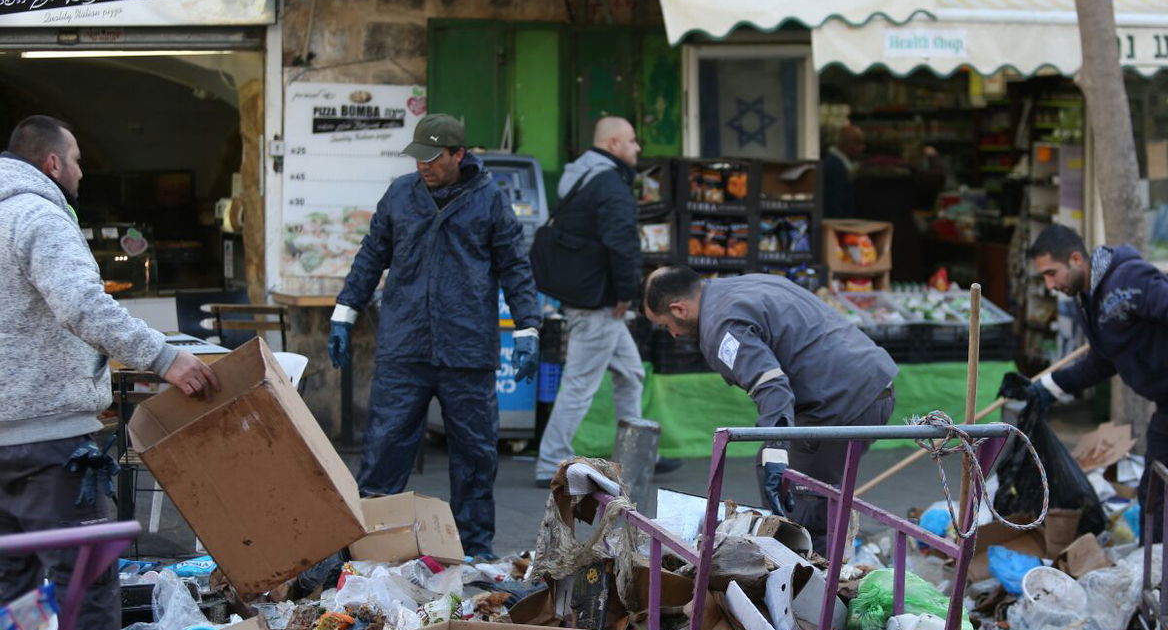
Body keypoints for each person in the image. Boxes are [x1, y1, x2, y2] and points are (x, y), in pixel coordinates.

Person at [0, 115, 219, 630]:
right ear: (52, 165)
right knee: (86, 580)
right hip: (52, 440)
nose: (82, 174)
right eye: (76, 162)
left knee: (10, 585)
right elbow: (82, 305)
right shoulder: (38, 215)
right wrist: (164, 358)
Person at [328, 114, 540, 558]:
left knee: (475, 455)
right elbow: (371, 256)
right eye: (419, 156)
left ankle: (474, 548)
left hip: (467, 350)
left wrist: (528, 327)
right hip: (405, 345)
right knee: (385, 448)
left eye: (434, 157)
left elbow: (514, 266)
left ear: (459, 154)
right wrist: (344, 312)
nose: (424, 165)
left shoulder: (490, 200)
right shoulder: (400, 195)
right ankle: (372, 545)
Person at [643, 266, 896, 554]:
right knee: (779, 479)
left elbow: (772, 387)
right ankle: (792, 558)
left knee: (806, 509)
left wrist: (777, 450)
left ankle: (817, 584)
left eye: (665, 326)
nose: (673, 335)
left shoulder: (721, 327)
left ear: (678, 309)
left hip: (841, 402)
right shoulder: (741, 284)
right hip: (867, 382)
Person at [1026, 224, 1168, 526]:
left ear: (1076, 259)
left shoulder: (1128, 277)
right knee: (1158, 496)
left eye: (1051, 273)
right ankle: (1161, 565)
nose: (1050, 284)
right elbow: (1103, 360)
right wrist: (1049, 387)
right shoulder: (1087, 300)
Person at [532, 117, 678, 487]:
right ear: (613, 144)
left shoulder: (582, 176)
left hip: (587, 294)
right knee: (580, 384)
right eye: (631, 141)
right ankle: (550, 460)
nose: (637, 148)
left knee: (631, 374)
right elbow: (621, 242)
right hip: (600, 301)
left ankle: (640, 452)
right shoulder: (610, 185)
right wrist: (627, 292)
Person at [821, 123, 864, 218]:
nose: (862, 148)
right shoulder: (835, 167)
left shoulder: (838, 165)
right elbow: (833, 206)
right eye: (858, 143)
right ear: (845, 144)